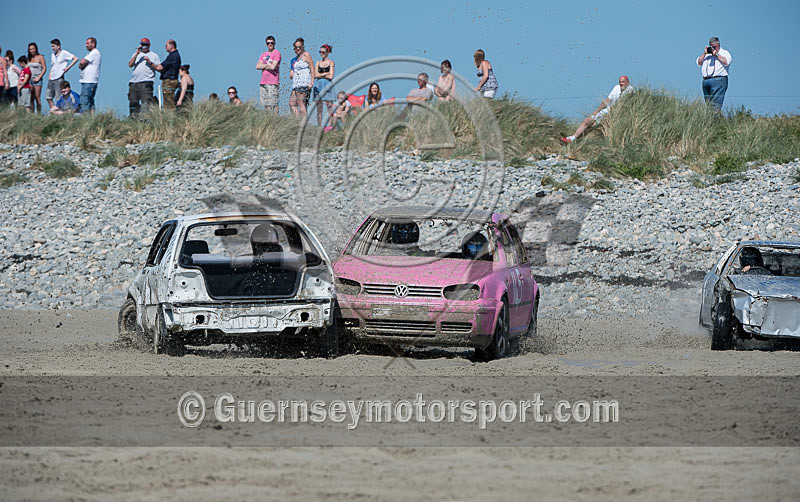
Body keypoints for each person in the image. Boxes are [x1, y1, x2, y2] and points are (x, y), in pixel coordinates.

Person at [560, 75, 634, 143]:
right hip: (608, 110)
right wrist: (596, 111)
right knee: (587, 121)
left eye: (623, 82)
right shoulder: (616, 88)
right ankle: (572, 138)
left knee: (592, 127)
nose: (621, 83)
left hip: (617, 114)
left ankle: (574, 139)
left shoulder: (630, 89)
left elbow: (624, 104)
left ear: (627, 82)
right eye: (620, 82)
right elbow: (607, 100)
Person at [127, 37, 161, 116]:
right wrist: (136, 54)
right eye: (142, 45)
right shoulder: (137, 54)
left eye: (146, 45)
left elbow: (158, 68)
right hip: (134, 82)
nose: (144, 47)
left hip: (146, 81)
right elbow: (130, 65)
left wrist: (150, 62)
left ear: (149, 45)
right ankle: (133, 118)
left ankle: (145, 118)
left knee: (145, 103)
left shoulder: (154, 55)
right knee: (133, 102)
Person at [696, 36, 732, 111]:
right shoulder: (707, 54)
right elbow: (699, 62)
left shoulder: (724, 53)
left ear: (718, 45)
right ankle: (710, 116)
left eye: (714, 47)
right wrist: (704, 53)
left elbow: (727, 62)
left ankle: (715, 117)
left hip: (718, 80)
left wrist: (716, 55)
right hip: (706, 81)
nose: (713, 48)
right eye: (711, 46)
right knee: (708, 105)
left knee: (715, 105)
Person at [46, 39, 78, 111]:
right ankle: (54, 111)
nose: (52, 48)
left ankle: (61, 113)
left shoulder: (64, 53)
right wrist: (50, 75)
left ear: (58, 46)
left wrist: (68, 68)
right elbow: (53, 65)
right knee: (48, 97)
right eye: (51, 46)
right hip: (52, 78)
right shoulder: (52, 55)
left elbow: (75, 58)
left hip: (59, 77)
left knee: (59, 97)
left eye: (53, 46)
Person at [152, 39, 181, 110]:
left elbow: (160, 67)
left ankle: (170, 115)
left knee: (169, 101)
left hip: (169, 81)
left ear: (172, 46)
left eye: (166, 45)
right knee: (168, 100)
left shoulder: (173, 56)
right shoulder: (174, 55)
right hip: (171, 79)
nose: (165, 47)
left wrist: (150, 63)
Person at [289, 38, 313, 118]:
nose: (297, 49)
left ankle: (304, 122)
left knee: (301, 103)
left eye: (299, 47)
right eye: (296, 47)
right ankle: (298, 120)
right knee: (292, 103)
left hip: (304, 83)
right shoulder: (295, 59)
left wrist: (311, 81)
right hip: (296, 84)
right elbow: (291, 74)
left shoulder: (306, 55)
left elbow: (312, 68)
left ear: (303, 47)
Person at [256, 35, 280, 113]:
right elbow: (257, 66)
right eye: (268, 43)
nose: (270, 44)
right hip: (263, 81)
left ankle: (276, 117)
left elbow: (273, 67)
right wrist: (267, 65)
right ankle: (268, 117)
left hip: (272, 81)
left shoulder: (276, 53)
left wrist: (264, 65)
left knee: (273, 103)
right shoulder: (263, 54)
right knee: (266, 104)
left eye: (271, 43)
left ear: (274, 43)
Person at [78, 37, 102, 114]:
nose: (86, 45)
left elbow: (82, 62)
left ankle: (86, 117)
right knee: (90, 101)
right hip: (88, 81)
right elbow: (81, 64)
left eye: (88, 43)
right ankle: (91, 117)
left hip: (89, 81)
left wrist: (82, 64)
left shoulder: (94, 52)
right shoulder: (90, 53)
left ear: (93, 44)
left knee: (84, 100)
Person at [314, 44, 335, 125]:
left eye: (323, 52)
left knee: (329, 106)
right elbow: (315, 75)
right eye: (320, 52)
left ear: (327, 52)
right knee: (319, 108)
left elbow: (331, 76)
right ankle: (320, 126)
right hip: (318, 85)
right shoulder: (318, 62)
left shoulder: (331, 62)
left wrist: (320, 75)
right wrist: (325, 73)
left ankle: (330, 125)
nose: (321, 53)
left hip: (327, 85)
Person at [26, 43, 47, 113]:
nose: (32, 50)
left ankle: (38, 113)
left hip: (37, 79)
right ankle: (32, 113)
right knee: (30, 98)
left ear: (36, 49)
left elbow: (44, 68)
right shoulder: (28, 58)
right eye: (30, 49)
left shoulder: (40, 57)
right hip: (29, 80)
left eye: (33, 49)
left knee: (37, 97)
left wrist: (39, 77)